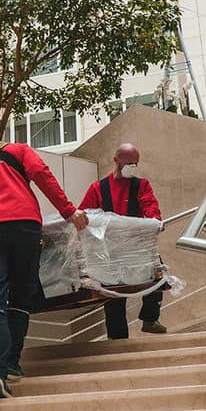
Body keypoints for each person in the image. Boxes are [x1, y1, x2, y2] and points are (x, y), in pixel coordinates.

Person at [0, 132, 88, 399]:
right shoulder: (19, 150)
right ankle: (11, 364)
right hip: (27, 229)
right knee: (21, 297)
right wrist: (68, 211)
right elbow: (44, 176)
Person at [78, 142, 167, 338]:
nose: (131, 167)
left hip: (137, 247)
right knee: (112, 294)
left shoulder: (140, 185)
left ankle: (150, 319)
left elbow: (150, 206)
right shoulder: (98, 188)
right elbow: (85, 213)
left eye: (135, 164)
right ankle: (117, 339)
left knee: (157, 276)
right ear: (116, 160)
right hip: (109, 252)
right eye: (128, 163)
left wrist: (156, 221)